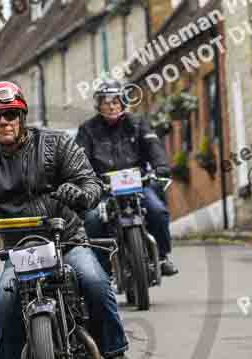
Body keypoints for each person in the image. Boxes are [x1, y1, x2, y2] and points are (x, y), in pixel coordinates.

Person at [0, 80, 138, 359]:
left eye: (10, 114)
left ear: (22, 115)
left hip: (66, 240)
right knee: (4, 302)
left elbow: (89, 182)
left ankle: (115, 354)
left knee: (95, 281)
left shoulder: (56, 144)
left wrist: (79, 195)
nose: (4, 122)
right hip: (20, 249)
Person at [75, 79, 178, 277]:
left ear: (122, 103)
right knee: (93, 219)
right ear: (99, 106)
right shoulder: (87, 129)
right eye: (106, 102)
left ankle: (162, 257)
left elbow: (153, 145)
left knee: (157, 211)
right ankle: (103, 268)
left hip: (138, 184)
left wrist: (161, 166)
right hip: (104, 189)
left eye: (115, 101)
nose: (111, 106)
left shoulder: (137, 123)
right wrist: (81, 178)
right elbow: (79, 158)